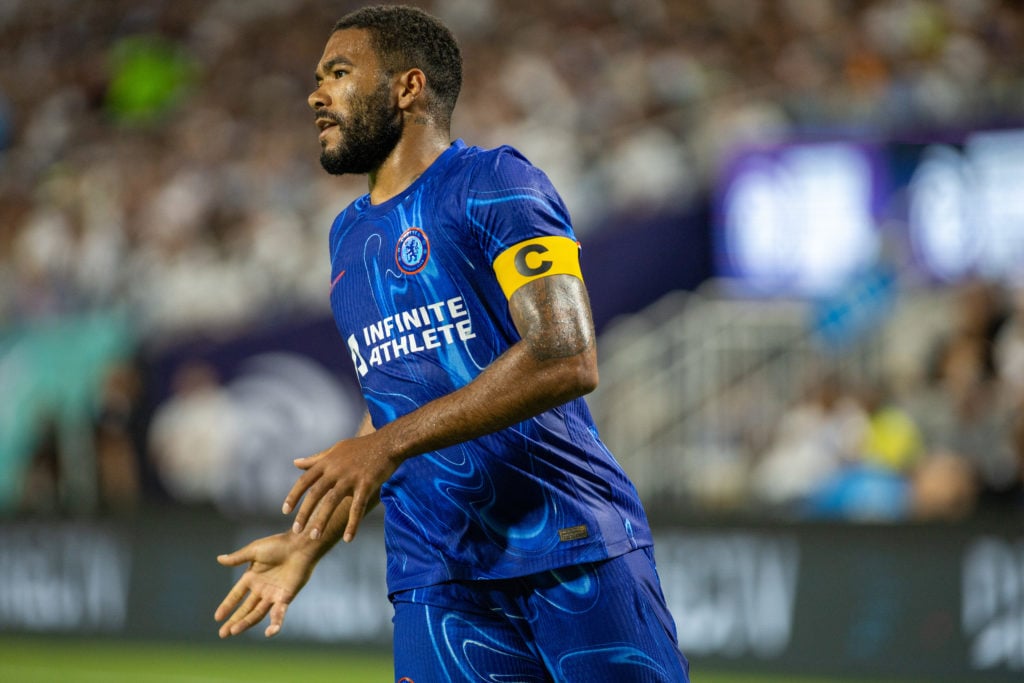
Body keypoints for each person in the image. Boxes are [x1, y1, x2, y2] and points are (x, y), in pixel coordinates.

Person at [214, 6, 689, 681]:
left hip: (568, 547)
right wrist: (305, 542)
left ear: (409, 87)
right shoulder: (346, 238)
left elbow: (566, 353)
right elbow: (395, 398)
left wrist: (384, 444)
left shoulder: (494, 182)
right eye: (318, 77)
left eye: (340, 73)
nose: (316, 94)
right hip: (436, 580)